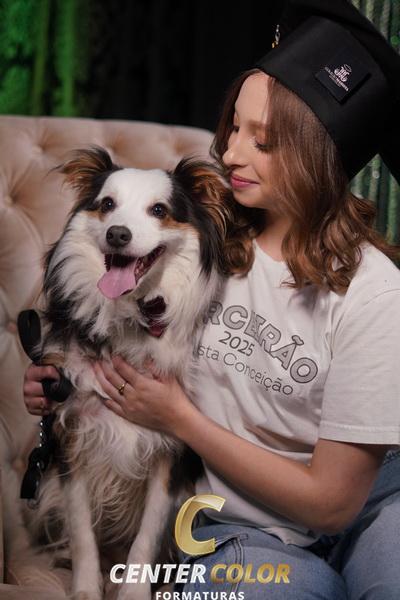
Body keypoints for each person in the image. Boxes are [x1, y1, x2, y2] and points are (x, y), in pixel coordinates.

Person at [23, 1, 400, 598]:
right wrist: (59, 375)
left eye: (263, 141)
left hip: (371, 506)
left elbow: (332, 503)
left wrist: (180, 419)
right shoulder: (200, 242)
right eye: (233, 128)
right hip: (235, 524)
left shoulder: (375, 291)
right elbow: (103, 322)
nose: (229, 154)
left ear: (320, 158)